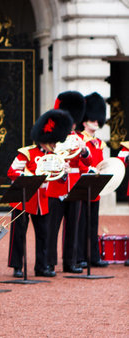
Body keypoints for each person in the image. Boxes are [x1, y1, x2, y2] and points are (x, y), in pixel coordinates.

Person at [7, 109, 73, 278]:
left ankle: (41, 266)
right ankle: (17, 266)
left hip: (41, 199)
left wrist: (64, 173)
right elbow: (12, 172)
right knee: (19, 234)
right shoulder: (27, 153)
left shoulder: (54, 156)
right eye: (53, 141)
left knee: (43, 234)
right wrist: (30, 178)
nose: (55, 145)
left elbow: (59, 180)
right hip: (23, 197)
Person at [46, 91, 92, 273]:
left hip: (74, 185)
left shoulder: (79, 138)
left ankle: (70, 262)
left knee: (73, 227)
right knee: (52, 227)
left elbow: (87, 162)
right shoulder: (53, 138)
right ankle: (49, 262)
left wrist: (84, 151)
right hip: (56, 184)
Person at [76, 92, 109, 268]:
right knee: (81, 223)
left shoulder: (99, 143)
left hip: (96, 185)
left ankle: (93, 256)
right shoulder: (80, 140)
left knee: (93, 221)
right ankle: (80, 255)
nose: (96, 122)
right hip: (82, 183)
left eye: (98, 119)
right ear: (85, 119)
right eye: (92, 119)